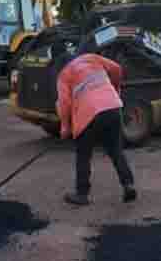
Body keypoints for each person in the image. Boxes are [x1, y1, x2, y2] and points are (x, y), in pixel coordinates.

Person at [55, 43, 136, 206]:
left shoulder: (64, 75)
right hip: (113, 106)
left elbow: (64, 104)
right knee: (115, 150)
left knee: (83, 155)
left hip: (88, 113)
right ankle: (128, 185)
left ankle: (82, 194)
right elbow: (117, 69)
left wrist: (65, 128)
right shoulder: (91, 58)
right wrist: (114, 88)